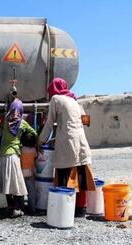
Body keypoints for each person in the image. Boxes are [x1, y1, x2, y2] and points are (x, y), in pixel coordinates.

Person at [38, 77, 96, 217]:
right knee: (81, 171)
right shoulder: (74, 100)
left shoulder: (56, 99)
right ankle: (80, 208)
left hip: (68, 141)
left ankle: (65, 208)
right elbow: (85, 120)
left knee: (65, 172)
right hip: (81, 140)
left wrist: (40, 141)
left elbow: (50, 123)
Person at [0, 97, 37, 218]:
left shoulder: (6, 120)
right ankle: (17, 208)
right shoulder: (22, 122)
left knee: (8, 182)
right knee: (17, 183)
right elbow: (33, 133)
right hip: (13, 155)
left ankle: (10, 206)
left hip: (3, 154)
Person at [20, 132, 38, 214]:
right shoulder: (34, 150)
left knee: (21, 192)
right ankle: (32, 208)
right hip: (30, 173)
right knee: (31, 192)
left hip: (21, 173)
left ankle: (21, 208)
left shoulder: (21, 149)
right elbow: (36, 157)